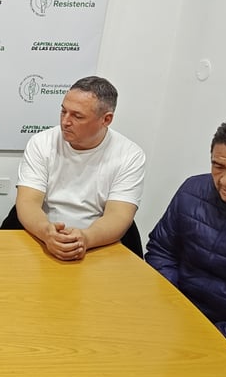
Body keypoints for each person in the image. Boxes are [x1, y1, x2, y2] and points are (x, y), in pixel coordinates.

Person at [146, 116, 226, 361]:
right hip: (176, 314)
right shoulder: (192, 190)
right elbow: (161, 250)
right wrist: (172, 302)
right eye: (218, 166)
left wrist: (212, 337)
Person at [14, 76, 145, 260]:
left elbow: (118, 215)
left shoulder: (129, 155)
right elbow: (28, 202)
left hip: (97, 242)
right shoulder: (41, 142)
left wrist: (85, 238)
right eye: (63, 111)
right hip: (42, 234)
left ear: (106, 119)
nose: (65, 121)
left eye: (77, 116)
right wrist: (47, 233)